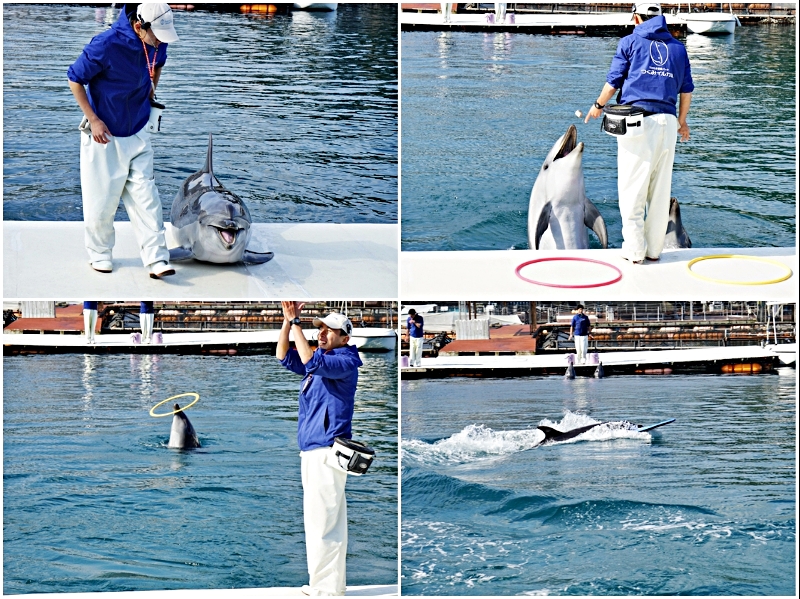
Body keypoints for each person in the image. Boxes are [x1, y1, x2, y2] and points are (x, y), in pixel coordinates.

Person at [67, 3, 179, 279]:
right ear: (140, 27)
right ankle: (100, 254)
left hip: (139, 128)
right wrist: (93, 119)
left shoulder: (158, 38)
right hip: (104, 134)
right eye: (157, 36)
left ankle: (156, 259)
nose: (161, 41)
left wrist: (151, 91)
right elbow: (75, 79)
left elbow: (158, 62)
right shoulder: (105, 45)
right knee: (101, 201)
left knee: (147, 198)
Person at [584, 2, 694, 264]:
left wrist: (598, 106)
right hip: (668, 123)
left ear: (637, 17)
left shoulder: (630, 42)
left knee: (632, 188)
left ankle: (634, 251)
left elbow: (613, 83)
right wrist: (682, 122)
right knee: (659, 190)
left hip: (638, 122)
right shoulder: (679, 49)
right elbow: (686, 90)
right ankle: (654, 250)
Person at [276, 302, 363, 597]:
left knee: (322, 522)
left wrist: (297, 322)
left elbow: (312, 363)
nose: (322, 333)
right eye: (321, 329)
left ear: (344, 337)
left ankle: (325, 589)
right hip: (314, 452)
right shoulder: (321, 359)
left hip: (326, 451)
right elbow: (283, 356)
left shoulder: (344, 361)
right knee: (324, 521)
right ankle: (328, 586)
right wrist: (288, 323)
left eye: (329, 330)